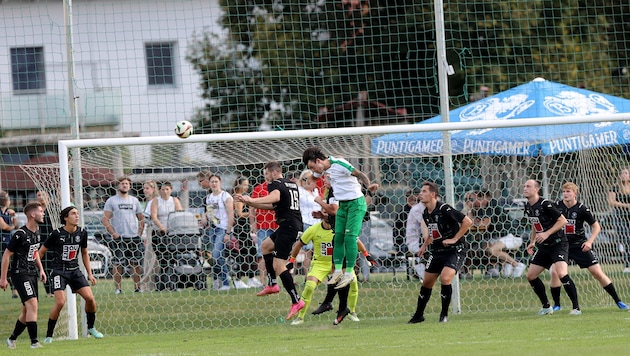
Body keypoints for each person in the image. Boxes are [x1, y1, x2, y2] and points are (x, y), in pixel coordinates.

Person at [234, 161, 305, 320]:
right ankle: (272, 284)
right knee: (265, 246)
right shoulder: (290, 184)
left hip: (289, 227)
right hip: (290, 224)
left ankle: (296, 300)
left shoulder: (275, 184)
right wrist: (250, 202)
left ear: (274, 173)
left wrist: (250, 198)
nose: (265, 178)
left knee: (278, 264)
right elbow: (275, 206)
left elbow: (274, 197)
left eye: (266, 174)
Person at [302, 146, 378, 289]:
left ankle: (349, 272)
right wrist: (310, 180)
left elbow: (360, 174)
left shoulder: (340, 164)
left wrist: (369, 187)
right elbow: (314, 177)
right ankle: (337, 271)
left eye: (313, 167)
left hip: (356, 203)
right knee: (338, 237)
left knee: (350, 238)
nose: (313, 171)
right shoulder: (322, 169)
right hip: (343, 204)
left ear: (318, 161)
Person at [551, 182, 628, 311]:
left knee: (597, 272)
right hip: (562, 246)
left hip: (579, 245)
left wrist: (589, 242)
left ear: (575, 193)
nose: (565, 194)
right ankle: (557, 305)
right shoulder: (556, 207)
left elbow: (596, 226)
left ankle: (618, 301)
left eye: (568, 191)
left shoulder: (582, 208)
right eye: (564, 191)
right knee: (555, 272)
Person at [408, 181, 472, 324]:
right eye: (421, 191)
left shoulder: (445, 209)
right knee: (427, 282)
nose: (420, 194)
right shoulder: (426, 213)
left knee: (445, 278)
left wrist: (455, 239)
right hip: (437, 250)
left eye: (424, 191)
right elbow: (433, 231)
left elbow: (467, 222)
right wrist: (424, 246)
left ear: (433, 194)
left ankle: (444, 315)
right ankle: (419, 315)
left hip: (455, 250)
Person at [38, 206, 104, 343]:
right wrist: (40, 269)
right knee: (60, 302)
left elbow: (84, 253)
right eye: (73, 214)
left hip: (74, 270)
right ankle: (49, 335)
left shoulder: (82, 233)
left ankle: (91, 328)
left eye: (77, 213)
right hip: (58, 271)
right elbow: (41, 251)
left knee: (90, 299)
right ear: (66, 218)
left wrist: (90, 274)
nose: (77, 216)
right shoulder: (56, 234)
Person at [523, 179, 581, 316]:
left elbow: (563, 221)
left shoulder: (546, 204)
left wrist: (547, 233)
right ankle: (546, 306)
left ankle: (576, 308)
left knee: (561, 273)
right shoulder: (528, 206)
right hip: (544, 246)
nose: (525, 188)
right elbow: (534, 223)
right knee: (531, 275)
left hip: (558, 243)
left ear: (536, 189)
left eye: (528, 186)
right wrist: (532, 241)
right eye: (524, 186)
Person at [1, 202, 47, 349]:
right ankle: (34, 342)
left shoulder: (37, 231)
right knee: (33, 304)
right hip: (19, 274)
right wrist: (3, 278)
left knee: (27, 310)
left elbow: (34, 252)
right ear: (33, 214)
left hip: (32, 273)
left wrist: (41, 269)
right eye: (41, 211)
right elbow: (6, 255)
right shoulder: (20, 234)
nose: (43, 213)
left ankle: (12, 338)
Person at [102, 176, 145, 294]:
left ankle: (137, 288)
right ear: (118, 186)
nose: (125, 185)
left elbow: (141, 218)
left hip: (133, 237)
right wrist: (113, 233)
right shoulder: (112, 201)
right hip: (119, 238)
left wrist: (139, 233)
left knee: (135, 263)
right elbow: (105, 220)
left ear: (130, 186)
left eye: (127, 183)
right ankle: (118, 289)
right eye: (122, 183)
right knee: (118, 263)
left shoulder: (134, 201)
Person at [476, 190, 526, 278]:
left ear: (488, 197)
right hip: (498, 237)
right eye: (477, 198)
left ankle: (517, 265)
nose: (477, 201)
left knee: (492, 250)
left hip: (511, 235)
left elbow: (484, 224)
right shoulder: (480, 208)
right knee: (484, 248)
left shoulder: (492, 204)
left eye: (480, 198)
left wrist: (476, 222)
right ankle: (497, 267)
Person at [200, 174, 234, 291]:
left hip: (223, 228)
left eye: (216, 181)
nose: (214, 184)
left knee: (216, 254)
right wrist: (204, 218)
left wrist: (228, 233)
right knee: (217, 257)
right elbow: (210, 213)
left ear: (220, 182)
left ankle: (225, 282)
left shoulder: (225, 196)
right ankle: (221, 280)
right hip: (212, 228)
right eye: (212, 182)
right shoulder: (208, 197)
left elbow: (231, 215)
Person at [151, 181, 183, 291]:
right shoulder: (156, 201)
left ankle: (173, 283)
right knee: (163, 260)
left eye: (167, 189)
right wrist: (162, 227)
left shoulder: (174, 200)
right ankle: (163, 284)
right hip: (159, 234)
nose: (165, 192)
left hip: (172, 234)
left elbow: (179, 213)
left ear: (171, 190)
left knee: (173, 259)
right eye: (163, 189)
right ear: (159, 190)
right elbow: (154, 217)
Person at [249, 179, 278, 289]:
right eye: (265, 173)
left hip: (277, 224)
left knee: (278, 255)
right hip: (263, 226)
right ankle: (262, 281)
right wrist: (253, 223)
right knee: (262, 255)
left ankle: (274, 280)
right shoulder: (258, 188)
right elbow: (252, 206)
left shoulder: (278, 187)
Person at [231, 175, 258, 289]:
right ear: (239, 184)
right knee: (243, 255)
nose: (247, 186)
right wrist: (252, 212)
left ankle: (251, 278)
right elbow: (240, 214)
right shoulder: (238, 197)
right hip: (240, 229)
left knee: (251, 252)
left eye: (247, 184)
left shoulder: (243, 196)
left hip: (245, 229)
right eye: (245, 184)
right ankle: (238, 280)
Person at [297, 169, 321, 274]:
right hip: (306, 222)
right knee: (308, 250)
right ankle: (308, 275)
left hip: (318, 223)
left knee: (318, 251)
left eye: (311, 179)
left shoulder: (315, 192)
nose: (309, 181)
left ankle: (318, 274)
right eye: (305, 179)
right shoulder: (300, 191)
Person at [607, 167, 630, 273]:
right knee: (626, 240)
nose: (624, 175)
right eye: (622, 173)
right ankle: (627, 264)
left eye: (626, 173)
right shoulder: (615, 188)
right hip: (620, 216)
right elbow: (611, 202)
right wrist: (626, 205)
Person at [139, 180, 159, 291]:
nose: (145, 190)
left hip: (154, 232)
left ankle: (146, 284)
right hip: (149, 233)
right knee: (148, 260)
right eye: (144, 188)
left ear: (153, 189)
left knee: (152, 261)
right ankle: (149, 285)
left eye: (147, 188)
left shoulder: (155, 202)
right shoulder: (148, 202)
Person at [0, 191, 20, 298]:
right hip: (1, 242)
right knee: (4, 266)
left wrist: (15, 216)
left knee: (11, 265)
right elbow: (4, 227)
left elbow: (15, 226)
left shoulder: (9, 212)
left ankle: (15, 291)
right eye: (8, 199)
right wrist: (11, 227)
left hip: (8, 242)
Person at [37, 191, 55, 297]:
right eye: (39, 195)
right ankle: (48, 291)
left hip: (53, 241)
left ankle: (56, 289)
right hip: (41, 242)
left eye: (43, 195)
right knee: (44, 267)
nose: (41, 197)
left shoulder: (53, 209)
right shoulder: (36, 211)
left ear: (47, 197)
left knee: (54, 266)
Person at [393, 188, 419, 254]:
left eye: (414, 195)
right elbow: (396, 231)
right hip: (407, 245)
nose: (412, 198)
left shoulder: (423, 210)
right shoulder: (402, 212)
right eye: (408, 196)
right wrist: (399, 247)